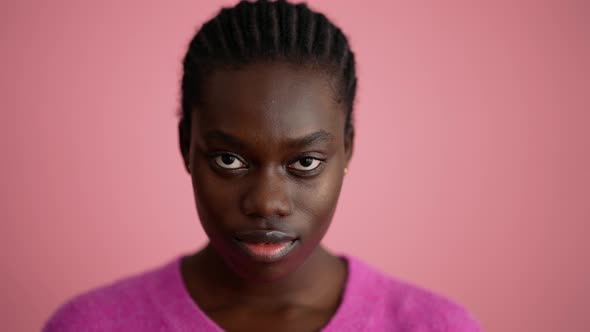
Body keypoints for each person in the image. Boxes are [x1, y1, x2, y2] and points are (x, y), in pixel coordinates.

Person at [43, 0, 481, 331]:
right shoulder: (92, 324)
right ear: (185, 148)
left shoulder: (433, 325)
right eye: (229, 160)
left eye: (305, 162)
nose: (266, 202)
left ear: (347, 150)